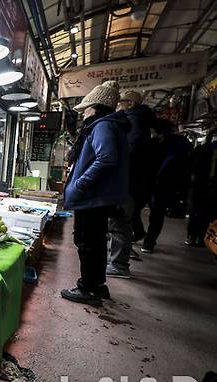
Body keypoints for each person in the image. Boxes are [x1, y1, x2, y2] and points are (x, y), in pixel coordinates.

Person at [61, 81, 130, 306]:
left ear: (97, 107)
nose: (84, 114)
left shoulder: (102, 126)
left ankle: (88, 288)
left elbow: (107, 158)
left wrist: (81, 183)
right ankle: (97, 285)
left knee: (87, 241)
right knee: (96, 241)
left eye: (87, 109)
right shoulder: (109, 125)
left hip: (92, 197)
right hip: (97, 197)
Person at [105, 90, 153, 278]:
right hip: (133, 182)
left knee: (119, 221)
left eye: (120, 102)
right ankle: (120, 258)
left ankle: (119, 264)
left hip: (127, 183)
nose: (117, 105)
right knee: (121, 221)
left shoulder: (133, 121)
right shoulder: (138, 122)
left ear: (130, 104)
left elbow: (126, 155)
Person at [141, 118, 192, 253]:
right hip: (156, 184)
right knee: (153, 213)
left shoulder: (175, 146)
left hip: (163, 185)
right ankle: (144, 237)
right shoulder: (175, 145)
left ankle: (149, 241)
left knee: (156, 214)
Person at [186, 129, 217, 246]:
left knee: (196, 212)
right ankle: (200, 237)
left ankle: (193, 236)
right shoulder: (202, 150)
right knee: (208, 214)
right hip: (209, 187)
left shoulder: (201, 149)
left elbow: (191, 167)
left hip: (199, 185)